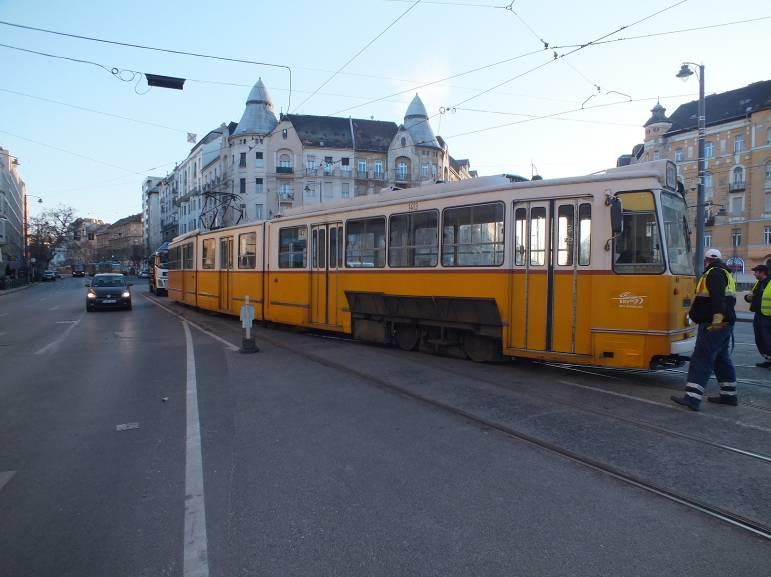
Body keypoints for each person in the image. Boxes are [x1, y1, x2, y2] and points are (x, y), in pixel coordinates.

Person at [672, 248, 737, 411]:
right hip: (724, 324)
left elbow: (717, 296)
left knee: (701, 359)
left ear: (706, 260)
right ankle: (729, 395)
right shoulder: (725, 273)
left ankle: (692, 398)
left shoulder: (714, 273)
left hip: (714, 324)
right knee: (722, 360)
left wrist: (717, 317)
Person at [745, 264, 771, 368]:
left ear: (762, 272)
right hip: (758, 315)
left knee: (768, 339)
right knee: (760, 339)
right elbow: (752, 296)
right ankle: (768, 359)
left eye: (756, 272)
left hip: (768, 316)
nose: (754, 274)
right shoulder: (759, 283)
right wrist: (748, 297)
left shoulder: (769, 282)